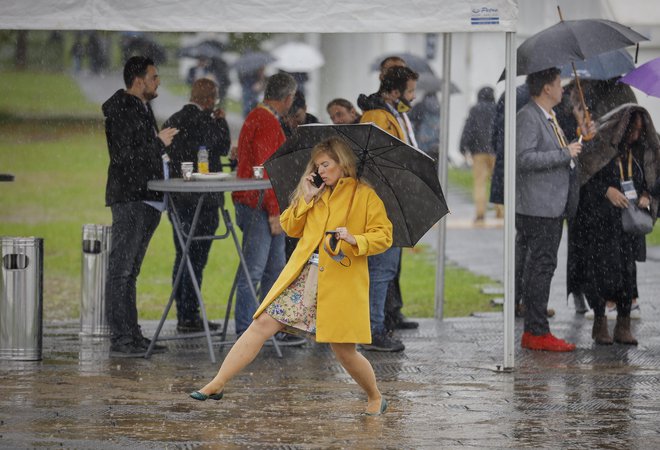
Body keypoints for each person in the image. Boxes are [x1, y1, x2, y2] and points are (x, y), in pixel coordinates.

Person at [190, 137, 393, 416]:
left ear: (342, 163)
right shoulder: (316, 193)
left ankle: (374, 396)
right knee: (261, 324)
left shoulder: (365, 195)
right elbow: (290, 227)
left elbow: (384, 236)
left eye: (326, 164)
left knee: (345, 352)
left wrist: (354, 238)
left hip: (340, 284)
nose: (321, 170)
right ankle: (218, 382)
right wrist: (306, 197)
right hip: (303, 277)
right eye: (317, 165)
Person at [102, 56, 179, 356]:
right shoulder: (123, 110)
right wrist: (158, 143)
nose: (158, 81)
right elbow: (124, 158)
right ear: (138, 80)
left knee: (130, 271)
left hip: (145, 198)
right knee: (122, 270)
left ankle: (131, 334)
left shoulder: (141, 108)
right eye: (154, 76)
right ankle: (122, 339)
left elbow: (138, 155)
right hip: (131, 198)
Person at [574, 105, 659, 345]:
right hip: (602, 222)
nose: (635, 136)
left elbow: (653, 180)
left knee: (627, 273)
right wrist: (606, 191)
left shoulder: (642, 151)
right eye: (632, 131)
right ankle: (600, 322)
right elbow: (585, 177)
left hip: (629, 223)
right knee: (601, 271)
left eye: (639, 131)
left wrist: (646, 195)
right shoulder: (602, 147)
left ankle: (624, 324)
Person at [231, 72, 304, 345]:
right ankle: (244, 332)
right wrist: (275, 211)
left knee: (274, 268)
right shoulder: (266, 121)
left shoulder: (258, 117)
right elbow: (267, 171)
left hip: (257, 203)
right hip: (259, 205)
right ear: (287, 98)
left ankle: (269, 327)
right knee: (255, 269)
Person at [516, 67, 582, 352]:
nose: (563, 89)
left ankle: (536, 327)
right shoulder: (529, 117)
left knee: (542, 266)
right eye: (558, 84)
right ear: (546, 88)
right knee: (540, 268)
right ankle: (536, 331)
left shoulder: (548, 115)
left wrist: (573, 145)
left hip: (550, 205)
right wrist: (564, 154)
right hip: (539, 207)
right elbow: (525, 158)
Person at [357, 65, 420, 351]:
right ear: (394, 92)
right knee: (382, 269)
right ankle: (373, 330)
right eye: (410, 91)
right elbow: (372, 161)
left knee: (387, 268)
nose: (414, 97)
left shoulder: (391, 114)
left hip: (390, 199)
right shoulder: (376, 117)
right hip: (381, 203)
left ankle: (376, 326)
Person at [162, 78, 231, 332]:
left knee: (183, 255)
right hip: (204, 198)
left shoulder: (174, 119)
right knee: (197, 257)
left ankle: (184, 312)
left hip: (178, 198)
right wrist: (221, 121)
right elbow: (222, 148)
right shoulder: (207, 122)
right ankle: (189, 314)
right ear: (211, 98)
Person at [459, 86, 499, 223]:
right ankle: (501, 212)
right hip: (496, 151)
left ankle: (480, 213)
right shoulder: (498, 108)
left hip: (478, 152)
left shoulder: (475, 110)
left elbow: (468, 128)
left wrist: (463, 147)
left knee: (479, 184)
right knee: (499, 181)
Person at [408, 90, 440, 161]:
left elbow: (409, 118)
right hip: (434, 145)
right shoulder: (439, 107)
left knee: (420, 163)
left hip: (421, 143)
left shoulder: (420, 106)